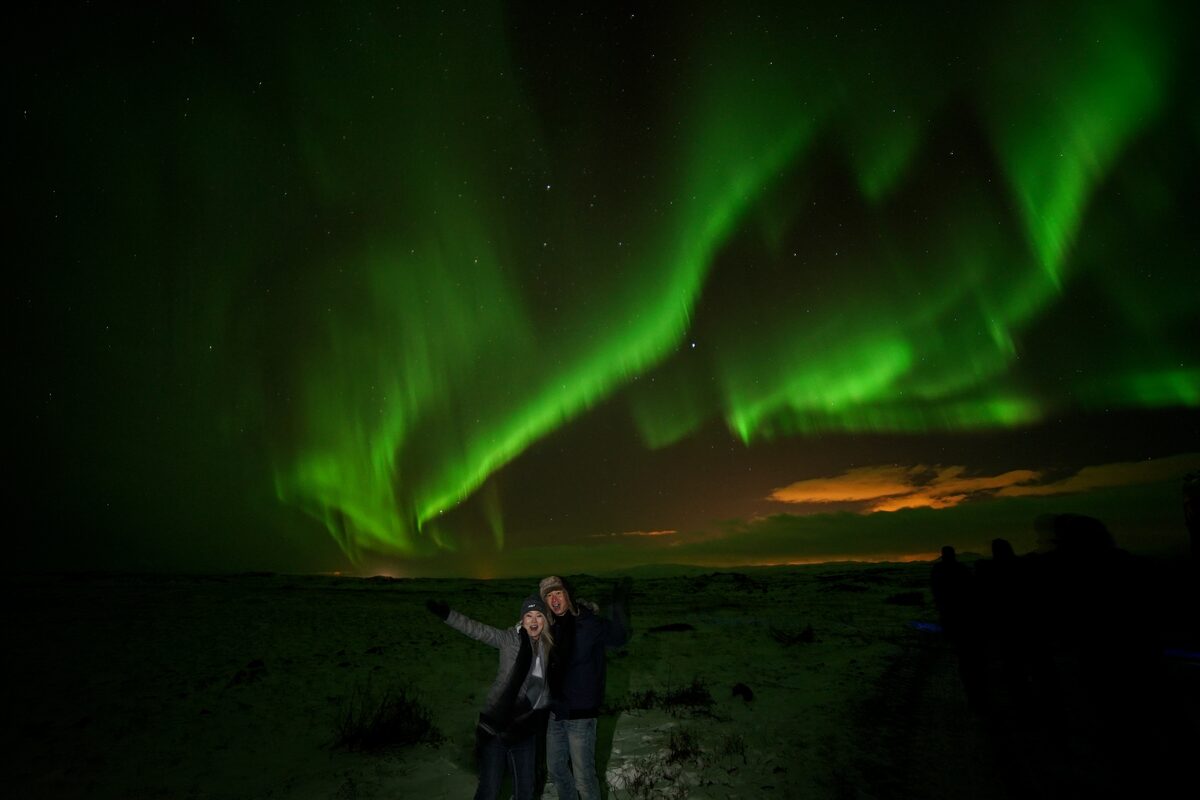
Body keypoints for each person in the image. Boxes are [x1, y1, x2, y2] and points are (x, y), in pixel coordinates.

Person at [426, 595, 553, 800]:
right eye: (529, 615)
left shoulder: (548, 648)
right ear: (522, 619)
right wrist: (448, 615)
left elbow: (545, 689)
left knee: (526, 792)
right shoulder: (509, 639)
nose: (534, 620)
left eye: (539, 615)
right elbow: (477, 630)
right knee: (489, 791)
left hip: (524, 729)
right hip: (496, 727)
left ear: (545, 620)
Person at [539, 575, 631, 800]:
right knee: (557, 770)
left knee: (584, 778)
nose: (554, 599)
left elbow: (619, 637)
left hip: (581, 714)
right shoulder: (546, 627)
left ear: (567, 595)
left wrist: (618, 605)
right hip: (555, 713)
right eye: (549, 596)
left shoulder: (589, 623)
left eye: (558, 593)